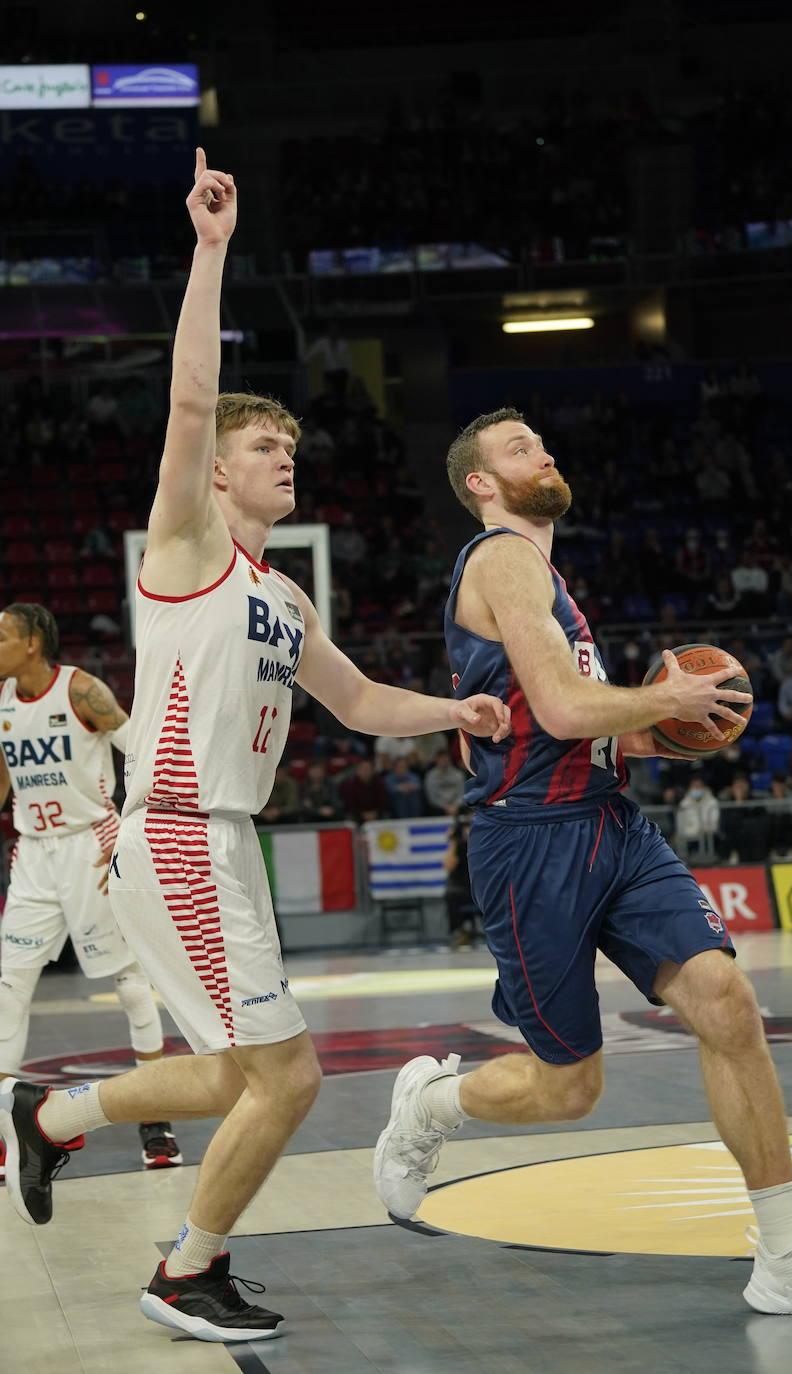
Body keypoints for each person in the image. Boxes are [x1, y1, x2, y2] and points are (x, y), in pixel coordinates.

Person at [0, 150, 511, 1345]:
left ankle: (51, 1118)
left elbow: (358, 701)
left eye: (291, 445)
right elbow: (189, 401)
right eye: (266, 445)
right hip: (179, 836)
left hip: (219, 844)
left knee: (237, 1076)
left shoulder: (282, 594)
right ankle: (187, 1271)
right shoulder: (186, 548)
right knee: (291, 1079)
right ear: (219, 472)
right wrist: (211, 250)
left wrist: (455, 714)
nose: (286, 456)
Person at [373, 405, 792, 1318]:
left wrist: (668, 728)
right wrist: (664, 698)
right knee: (569, 1088)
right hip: (530, 843)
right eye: (519, 448)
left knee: (727, 1003)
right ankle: (432, 1104)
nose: (543, 452)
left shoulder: (550, 578)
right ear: (480, 483)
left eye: (542, 442)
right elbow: (564, 708)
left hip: (611, 824)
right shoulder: (501, 558)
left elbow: (574, 729)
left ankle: (788, 1255)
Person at [0, 602, 181, 1175]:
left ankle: (155, 1119)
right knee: (9, 985)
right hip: (34, 854)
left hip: (92, 846)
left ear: (33, 642)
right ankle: (5, 1128)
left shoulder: (81, 691)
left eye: (2, 636)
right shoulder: (2, 701)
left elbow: (143, 751)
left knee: (129, 983)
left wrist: (133, 828)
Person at [442, 806, 481, 949]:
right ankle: (458, 931)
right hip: (460, 884)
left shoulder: (482, 835)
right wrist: (454, 841)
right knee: (451, 894)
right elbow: (448, 866)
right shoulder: (457, 840)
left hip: (478, 883)